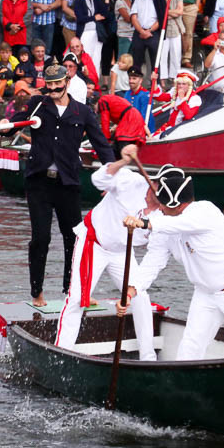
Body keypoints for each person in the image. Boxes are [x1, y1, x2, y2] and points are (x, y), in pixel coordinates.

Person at [126, 166, 224, 360]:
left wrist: (144, 223)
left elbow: (177, 224)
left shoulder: (204, 211)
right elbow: (153, 261)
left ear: (178, 205)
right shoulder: (163, 222)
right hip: (205, 291)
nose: (159, 208)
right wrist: (132, 289)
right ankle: (186, 389)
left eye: (163, 204)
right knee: (189, 350)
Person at [7, 64, 115, 308]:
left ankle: (72, 290)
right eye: (50, 84)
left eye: (58, 83)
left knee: (74, 239)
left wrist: (112, 177)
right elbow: (11, 127)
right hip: (39, 182)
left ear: (66, 81)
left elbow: (101, 145)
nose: (54, 88)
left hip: (68, 183)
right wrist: (11, 122)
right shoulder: (37, 104)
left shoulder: (83, 111)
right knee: (40, 238)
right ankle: (37, 293)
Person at [54, 144, 158, 360]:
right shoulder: (131, 181)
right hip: (95, 243)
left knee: (141, 297)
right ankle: (62, 354)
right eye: (158, 189)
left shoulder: (167, 213)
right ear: (153, 183)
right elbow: (98, 180)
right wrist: (123, 162)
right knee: (76, 300)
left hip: (122, 252)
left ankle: (148, 356)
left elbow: (158, 254)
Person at [129, 0, 165, 76]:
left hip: (153, 33)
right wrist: (141, 31)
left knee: (156, 62)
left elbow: (160, 18)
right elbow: (133, 17)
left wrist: (149, 31)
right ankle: (137, 85)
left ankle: (155, 87)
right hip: (139, 33)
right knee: (137, 62)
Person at [95, 92, 148, 157]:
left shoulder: (102, 101)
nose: (96, 112)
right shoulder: (110, 99)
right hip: (133, 118)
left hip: (130, 119)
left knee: (122, 145)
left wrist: (106, 140)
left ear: (96, 103)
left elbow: (105, 121)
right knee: (118, 145)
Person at [154, 69, 201, 134]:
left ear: (189, 85)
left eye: (184, 84)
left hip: (182, 130)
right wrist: (154, 81)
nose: (181, 86)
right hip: (169, 127)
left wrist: (182, 99)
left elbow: (189, 116)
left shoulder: (195, 98)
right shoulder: (174, 92)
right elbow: (160, 97)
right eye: (179, 84)